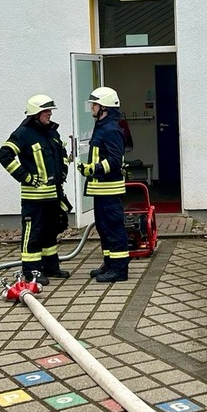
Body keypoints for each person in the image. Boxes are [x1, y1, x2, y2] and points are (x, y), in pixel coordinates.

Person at [0, 94, 71, 284]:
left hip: (54, 195)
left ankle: (51, 267)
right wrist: (26, 177)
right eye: (46, 111)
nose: (49, 114)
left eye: (50, 111)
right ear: (35, 114)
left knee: (50, 232)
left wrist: (63, 171)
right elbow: (5, 155)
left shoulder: (51, 132)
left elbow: (61, 153)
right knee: (33, 234)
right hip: (34, 198)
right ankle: (32, 272)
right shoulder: (23, 133)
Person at [79, 86, 130, 282]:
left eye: (94, 104)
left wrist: (94, 169)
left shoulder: (111, 129)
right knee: (103, 228)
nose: (91, 107)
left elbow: (115, 160)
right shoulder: (102, 126)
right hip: (100, 189)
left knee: (114, 228)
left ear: (104, 107)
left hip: (109, 189)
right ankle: (109, 264)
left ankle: (119, 269)